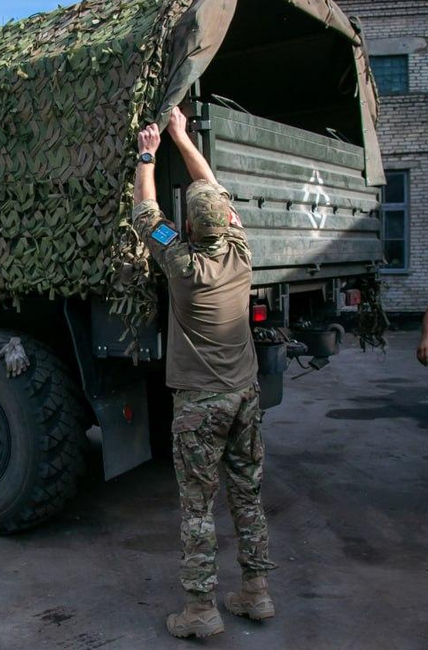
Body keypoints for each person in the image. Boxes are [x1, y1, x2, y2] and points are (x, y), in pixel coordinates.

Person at [132, 106, 277, 639]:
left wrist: (150, 149)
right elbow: (214, 191)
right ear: (227, 221)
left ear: (188, 227)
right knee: (246, 496)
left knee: (197, 507)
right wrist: (182, 136)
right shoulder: (241, 252)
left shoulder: (181, 263)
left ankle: (200, 611)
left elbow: (145, 212)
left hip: (200, 404)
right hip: (244, 398)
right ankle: (257, 594)